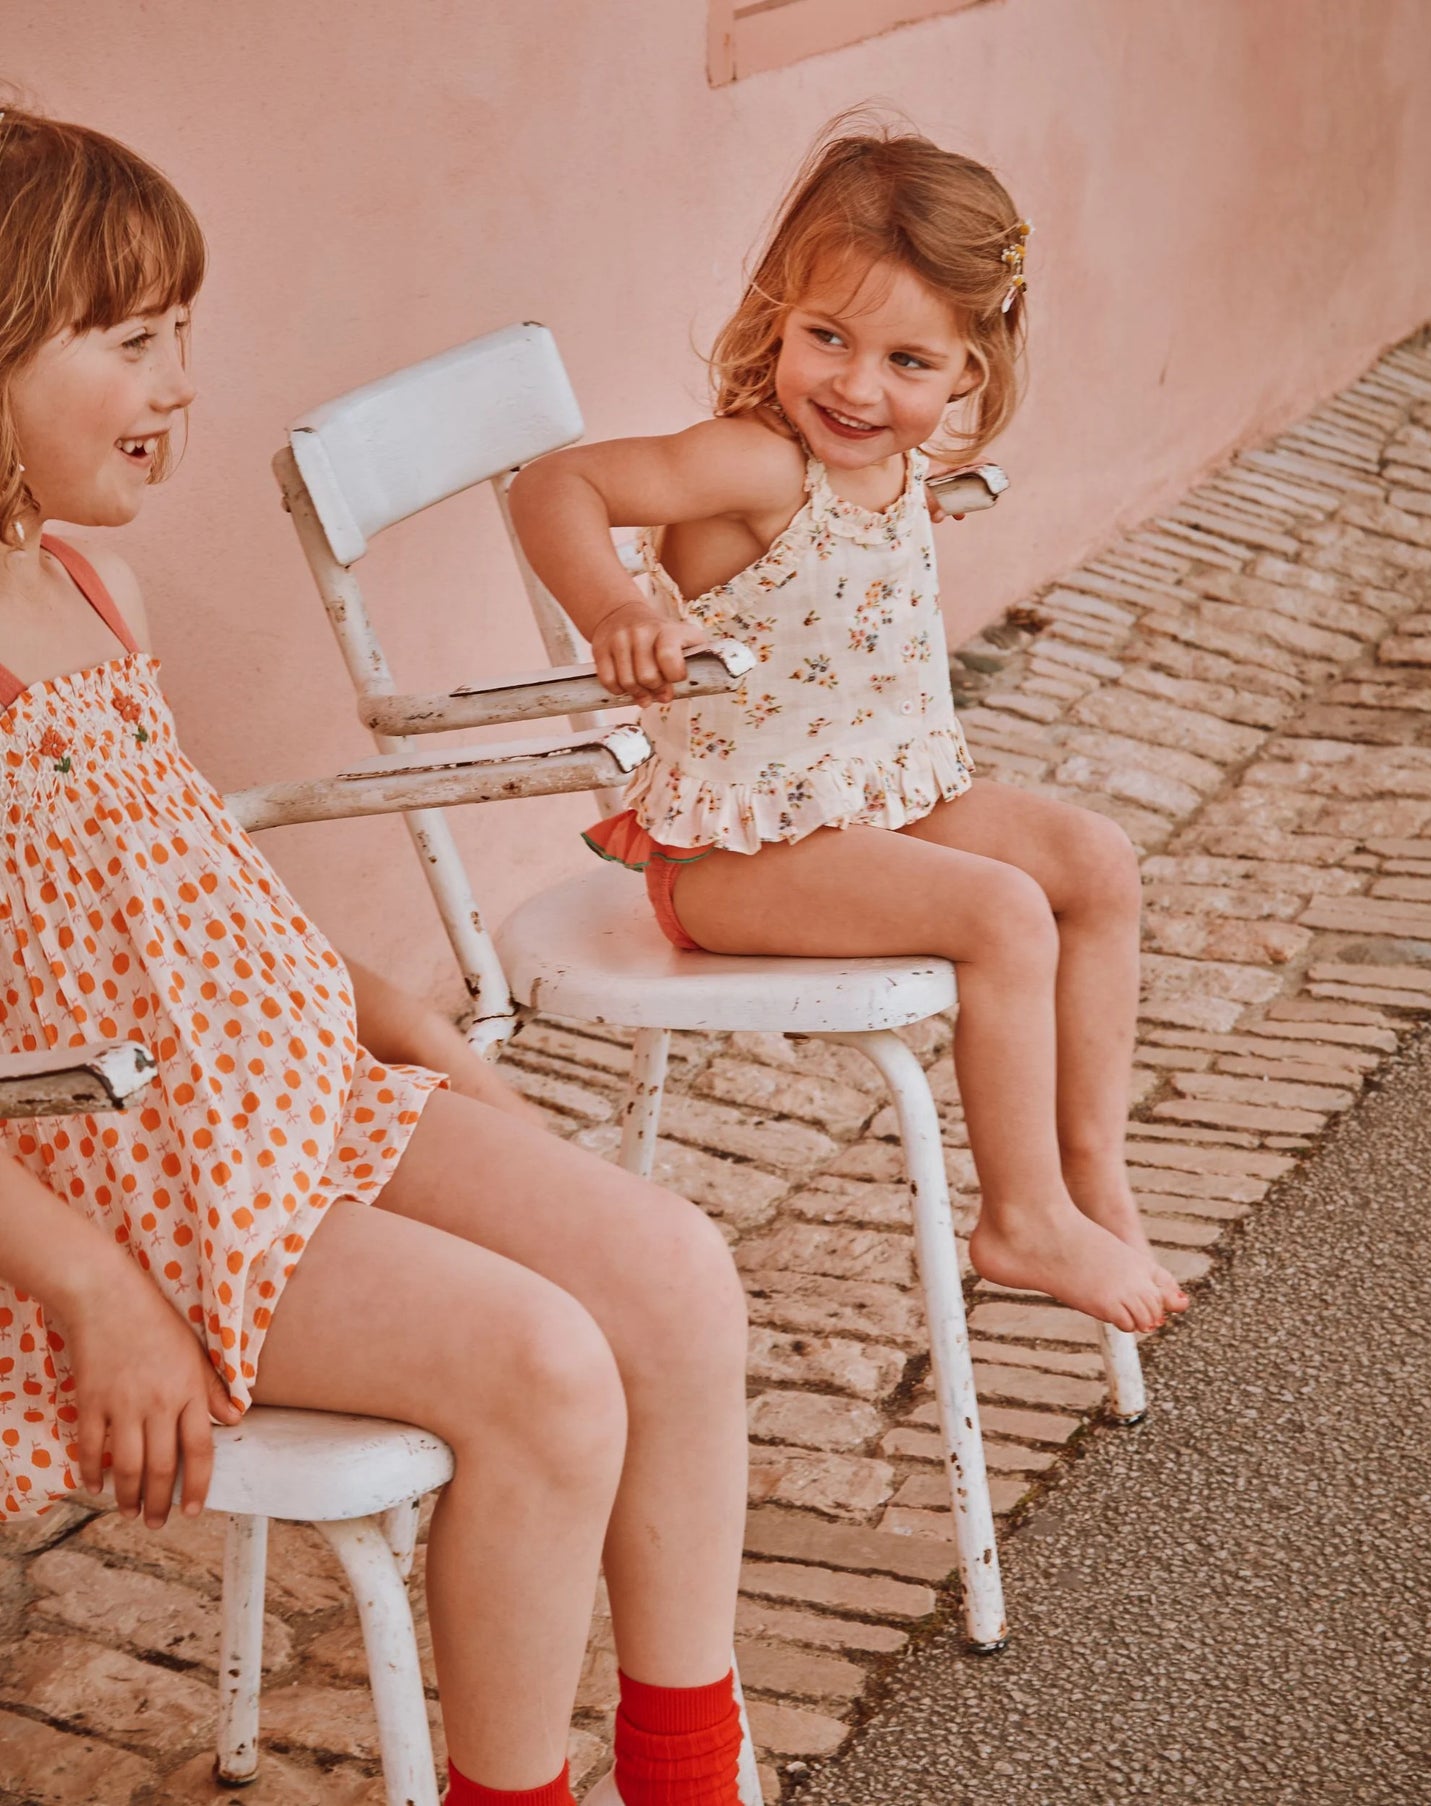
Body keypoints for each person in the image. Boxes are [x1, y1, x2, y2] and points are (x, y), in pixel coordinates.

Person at [0, 108, 749, 1806]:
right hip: (125, 1195)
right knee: (546, 1370)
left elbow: (180, 884)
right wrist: (101, 1294)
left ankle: (688, 1766)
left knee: (676, 1278)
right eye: (127, 339)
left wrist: (374, 1002)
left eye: (181, 328)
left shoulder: (86, 589)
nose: (179, 378)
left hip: (273, 1100)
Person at [510, 120, 1189, 1339]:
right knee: (999, 911)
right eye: (826, 337)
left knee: (1093, 861)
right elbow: (555, 485)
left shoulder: (891, 466)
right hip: (735, 861)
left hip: (873, 800)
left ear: (969, 373)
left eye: (906, 362)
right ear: (778, 314)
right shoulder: (751, 465)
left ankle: (1090, 1171)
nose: (856, 387)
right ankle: (1019, 1214)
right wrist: (612, 604)